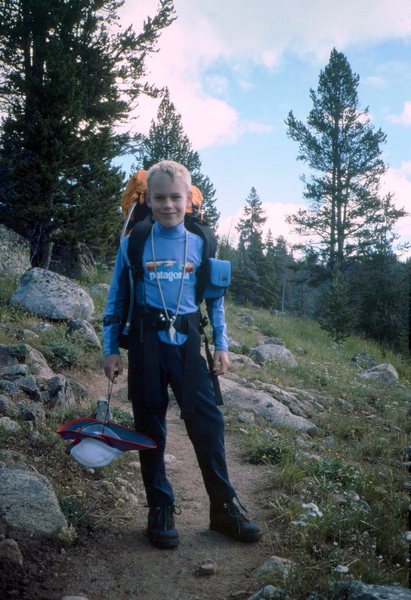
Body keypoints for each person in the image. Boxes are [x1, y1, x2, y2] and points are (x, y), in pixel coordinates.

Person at [103, 160, 261, 549]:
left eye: (176, 198)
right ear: (148, 199)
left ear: (189, 198)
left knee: (207, 423)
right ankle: (160, 508)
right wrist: (110, 349)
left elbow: (215, 300)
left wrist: (221, 344)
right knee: (149, 425)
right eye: (160, 198)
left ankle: (224, 508)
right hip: (145, 342)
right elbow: (117, 296)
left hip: (189, 342)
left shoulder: (202, 240)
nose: (168, 205)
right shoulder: (135, 241)